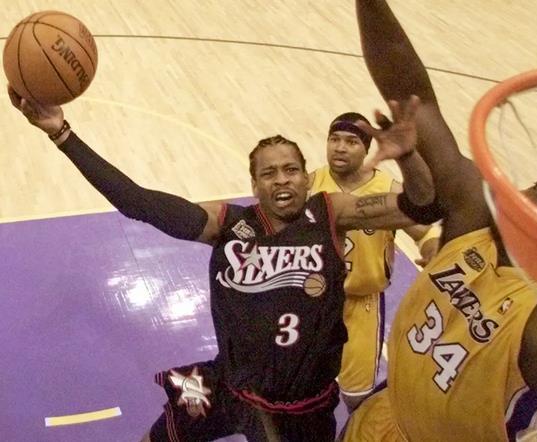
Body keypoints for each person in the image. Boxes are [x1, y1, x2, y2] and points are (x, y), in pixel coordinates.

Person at [8, 85, 435, 441]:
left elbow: (421, 206)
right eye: (269, 173)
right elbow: (137, 202)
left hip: (301, 410)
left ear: (306, 178)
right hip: (228, 387)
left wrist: (409, 157)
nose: (282, 179)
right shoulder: (228, 223)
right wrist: (61, 133)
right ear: (254, 184)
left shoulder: (331, 213)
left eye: (291, 170)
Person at [341, 1, 537, 441]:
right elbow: (411, 94)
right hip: (381, 420)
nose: (524, 195)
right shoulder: (476, 213)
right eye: (536, 184)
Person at [309, 112, 440, 410]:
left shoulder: (389, 190)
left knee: (356, 396)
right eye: (334, 139)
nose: (340, 148)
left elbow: (425, 230)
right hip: (313, 301)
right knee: (300, 380)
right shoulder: (311, 183)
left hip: (360, 304)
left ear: (366, 148)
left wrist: (432, 247)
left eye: (351, 141)